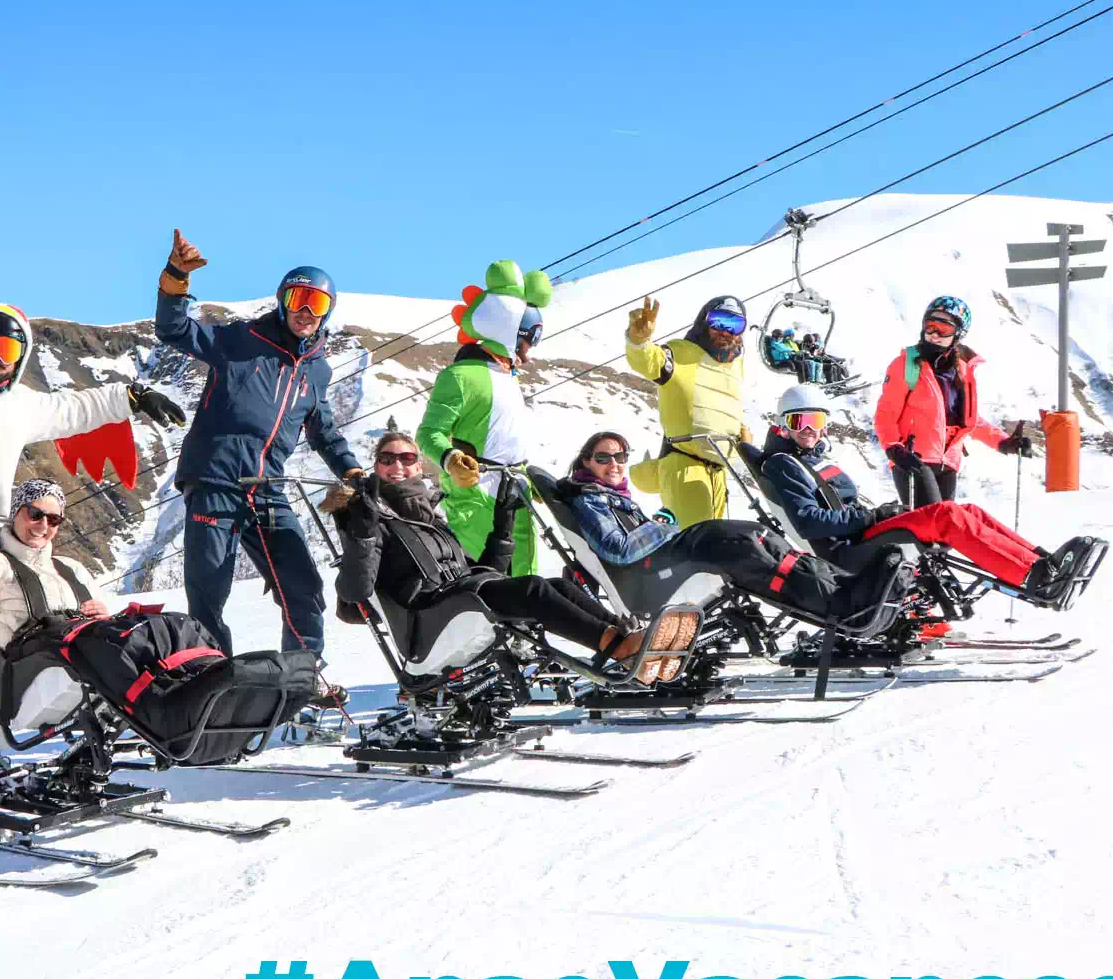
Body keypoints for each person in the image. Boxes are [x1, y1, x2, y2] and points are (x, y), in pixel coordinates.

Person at [0, 299, 185, 777]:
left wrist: (133, 397)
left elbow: (74, 408)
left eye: (6, 349)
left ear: (20, 356)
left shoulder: (24, 406)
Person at [156, 228, 362, 658]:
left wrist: (351, 470)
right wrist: (176, 278)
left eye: (317, 303)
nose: (306, 310)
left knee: (303, 589)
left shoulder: (316, 372)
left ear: (327, 312)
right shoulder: (239, 341)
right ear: (283, 301)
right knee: (207, 599)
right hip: (215, 485)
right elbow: (173, 330)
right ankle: (217, 690)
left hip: (267, 492)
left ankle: (301, 681)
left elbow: (323, 430)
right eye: (298, 298)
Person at [329, 431, 658, 677]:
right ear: (375, 466)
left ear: (418, 467)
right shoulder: (368, 517)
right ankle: (618, 647)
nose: (397, 465)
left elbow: (485, 573)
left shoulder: (427, 516)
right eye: (387, 459)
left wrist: (505, 519)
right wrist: (364, 531)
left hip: (459, 599)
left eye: (407, 458)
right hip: (427, 618)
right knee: (532, 589)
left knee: (555, 587)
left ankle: (627, 636)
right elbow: (355, 593)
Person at [759, 385, 1104, 608]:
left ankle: (1044, 563)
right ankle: (1036, 579)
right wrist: (872, 517)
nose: (809, 430)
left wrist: (875, 515)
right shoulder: (783, 465)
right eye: (799, 421)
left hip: (858, 532)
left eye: (816, 421)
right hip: (846, 549)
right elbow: (807, 522)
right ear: (782, 425)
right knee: (945, 517)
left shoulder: (812, 460)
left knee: (963, 509)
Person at [554, 430, 900, 624]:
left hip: (660, 565)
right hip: (646, 584)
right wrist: (660, 526)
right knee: (743, 544)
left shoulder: (610, 495)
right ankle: (838, 604)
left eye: (620, 457)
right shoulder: (589, 499)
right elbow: (620, 548)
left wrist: (659, 527)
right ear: (586, 462)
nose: (614, 464)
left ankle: (843, 587)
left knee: (757, 538)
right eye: (603, 458)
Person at [0, 480, 110, 773]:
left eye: (54, 519)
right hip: (22, 683)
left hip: (75, 673)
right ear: (16, 512)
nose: (43, 525)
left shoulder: (71, 569)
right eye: (35, 514)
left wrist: (103, 618)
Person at [418, 261, 555, 576]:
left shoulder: (510, 379)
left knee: (526, 584)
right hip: (476, 498)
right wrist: (451, 458)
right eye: (530, 339)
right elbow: (428, 433)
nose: (531, 352)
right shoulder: (460, 376)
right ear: (511, 331)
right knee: (487, 587)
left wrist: (531, 480)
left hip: (515, 496)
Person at [874, 296, 1031, 506]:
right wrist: (894, 449)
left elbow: (967, 420)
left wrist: (1003, 442)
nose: (934, 335)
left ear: (959, 333)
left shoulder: (962, 371)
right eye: (930, 327)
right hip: (913, 460)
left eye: (943, 329)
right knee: (933, 525)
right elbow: (886, 413)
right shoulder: (906, 365)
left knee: (944, 531)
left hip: (948, 463)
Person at [623, 293, 750, 527]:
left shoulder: (735, 365)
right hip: (685, 462)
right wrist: (638, 341)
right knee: (697, 540)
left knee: (715, 539)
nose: (726, 331)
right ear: (704, 321)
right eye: (718, 321)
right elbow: (649, 361)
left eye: (735, 325)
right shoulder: (681, 352)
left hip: (718, 471)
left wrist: (740, 433)